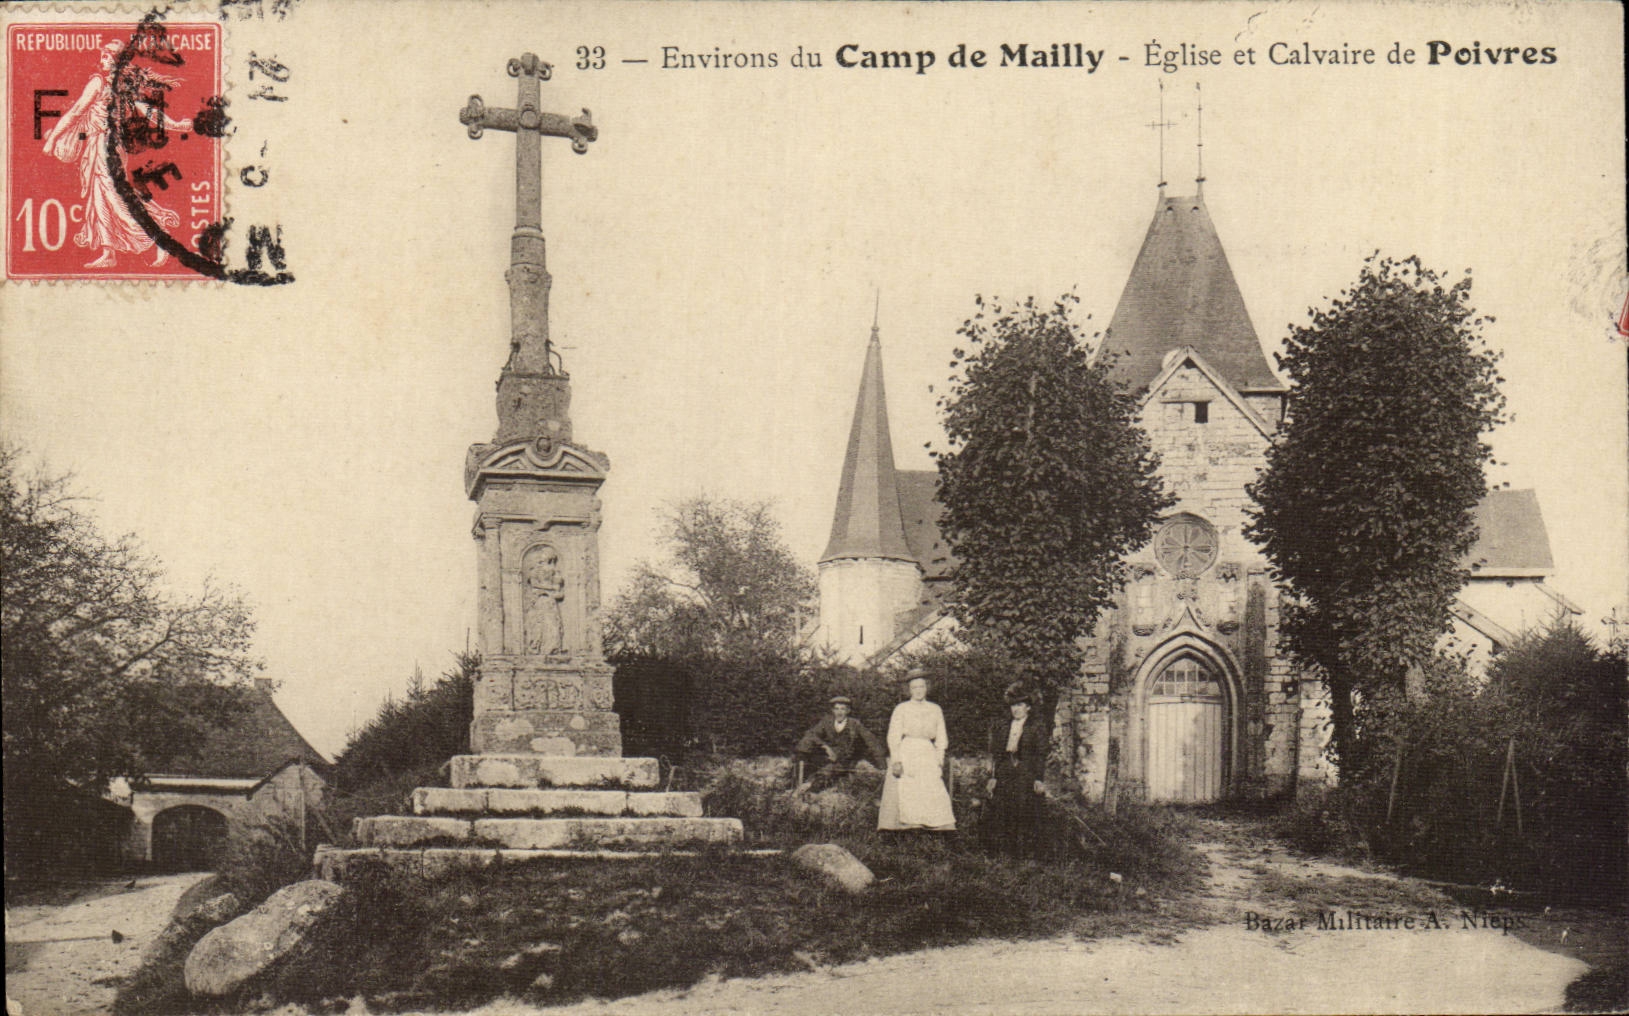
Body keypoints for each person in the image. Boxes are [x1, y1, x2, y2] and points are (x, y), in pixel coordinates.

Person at [42, 42, 192, 269]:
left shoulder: (99, 83)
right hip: (103, 147)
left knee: (114, 197)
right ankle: (108, 252)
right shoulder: (122, 86)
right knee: (100, 198)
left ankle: (158, 237)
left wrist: (52, 139)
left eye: (106, 56)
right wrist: (177, 125)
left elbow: (76, 112)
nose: (101, 59)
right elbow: (149, 112)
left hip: (105, 148)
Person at [877, 671, 956, 831]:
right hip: (908, 750)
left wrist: (939, 760)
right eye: (914, 687)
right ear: (909, 690)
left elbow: (941, 737)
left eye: (921, 686)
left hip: (927, 752)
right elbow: (893, 736)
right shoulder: (902, 708)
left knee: (930, 786)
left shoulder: (935, 709)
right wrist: (896, 760)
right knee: (907, 787)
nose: (918, 690)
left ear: (927, 687)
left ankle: (933, 826)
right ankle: (908, 826)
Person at [985, 682, 1048, 856]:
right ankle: (1002, 851)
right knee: (1002, 808)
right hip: (1006, 770)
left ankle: (1023, 852)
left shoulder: (1036, 727)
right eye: (1013, 705)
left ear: (1028, 707)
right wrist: (993, 777)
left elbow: (1040, 754)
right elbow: (997, 753)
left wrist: (1038, 779)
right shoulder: (1004, 726)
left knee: (1023, 809)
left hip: (1025, 771)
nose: (1016, 709)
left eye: (1020, 705)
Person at [794, 696, 885, 792]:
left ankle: (809, 786)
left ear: (848, 711)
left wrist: (882, 766)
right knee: (806, 742)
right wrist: (825, 746)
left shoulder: (855, 724)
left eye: (842, 709)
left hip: (845, 760)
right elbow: (811, 734)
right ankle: (797, 773)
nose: (839, 712)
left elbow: (872, 742)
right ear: (833, 710)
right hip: (829, 756)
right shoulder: (827, 722)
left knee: (826, 773)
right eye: (836, 709)